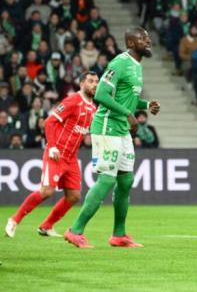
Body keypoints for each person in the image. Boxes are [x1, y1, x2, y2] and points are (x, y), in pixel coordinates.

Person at [64, 27, 160, 248]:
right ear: (130, 43)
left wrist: (145, 105)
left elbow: (127, 100)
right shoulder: (119, 63)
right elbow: (100, 95)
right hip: (107, 126)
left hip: (121, 130)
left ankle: (119, 235)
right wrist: (128, 114)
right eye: (142, 38)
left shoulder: (136, 66)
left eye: (148, 37)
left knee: (126, 181)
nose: (148, 40)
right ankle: (75, 230)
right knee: (107, 179)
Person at [5, 72, 98, 238]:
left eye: (96, 82)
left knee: (74, 196)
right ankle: (14, 220)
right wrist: (53, 146)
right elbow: (50, 122)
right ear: (82, 83)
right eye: (90, 81)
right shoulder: (72, 100)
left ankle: (46, 226)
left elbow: (82, 130)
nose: (94, 84)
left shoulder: (93, 107)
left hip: (71, 157)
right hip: (56, 153)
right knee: (46, 191)